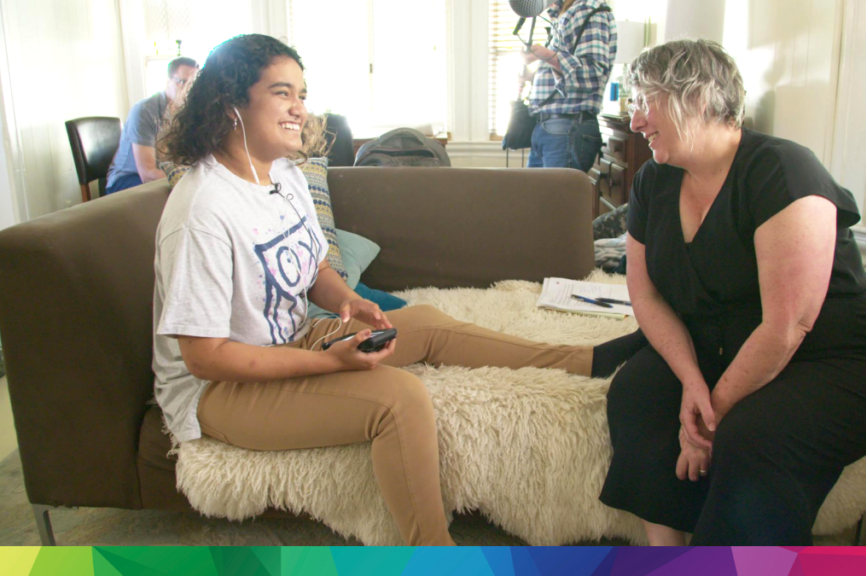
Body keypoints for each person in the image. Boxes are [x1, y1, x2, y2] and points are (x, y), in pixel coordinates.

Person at [153, 34, 598, 546]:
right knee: (398, 399)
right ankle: (433, 554)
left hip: (288, 340)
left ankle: (586, 359)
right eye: (282, 93)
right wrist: (330, 362)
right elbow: (206, 358)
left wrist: (349, 301)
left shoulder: (282, 174)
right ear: (231, 105)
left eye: (301, 93)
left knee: (427, 320)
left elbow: (314, 264)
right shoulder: (202, 211)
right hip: (220, 391)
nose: (300, 108)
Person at [595, 39, 866, 545]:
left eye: (642, 102)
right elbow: (646, 296)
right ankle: (665, 554)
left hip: (835, 357)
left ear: (695, 98)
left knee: (750, 437)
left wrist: (705, 418)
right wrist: (691, 382)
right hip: (724, 345)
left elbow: (788, 328)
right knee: (636, 392)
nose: (634, 122)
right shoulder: (653, 181)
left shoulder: (783, 171)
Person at [521, 0, 616, 172]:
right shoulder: (565, 14)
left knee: (556, 198)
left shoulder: (587, 9)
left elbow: (593, 73)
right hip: (552, 128)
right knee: (536, 197)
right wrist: (532, 78)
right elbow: (563, 76)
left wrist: (544, 54)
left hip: (566, 128)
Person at [105, 57, 199, 194]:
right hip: (127, 179)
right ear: (168, 82)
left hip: (163, 175)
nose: (188, 89)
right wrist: (189, 179)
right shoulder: (144, 111)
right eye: (183, 82)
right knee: (180, 194)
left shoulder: (188, 112)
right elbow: (147, 174)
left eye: (193, 84)